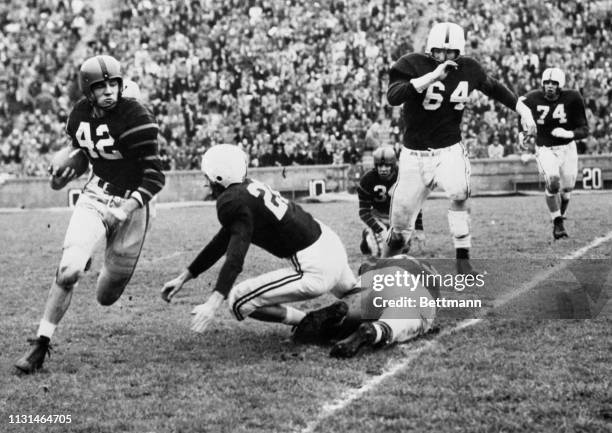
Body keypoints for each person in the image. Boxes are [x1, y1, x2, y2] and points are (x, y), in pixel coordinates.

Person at [15, 55, 166, 374]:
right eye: (102, 87)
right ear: (88, 91)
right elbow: (83, 154)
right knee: (69, 271)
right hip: (95, 195)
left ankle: (100, 258)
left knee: (107, 295)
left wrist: (124, 211)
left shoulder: (137, 117)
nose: (110, 91)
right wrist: (63, 175)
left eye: (114, 84)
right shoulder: (79, 116)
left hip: (132, 207)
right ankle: (40, 344)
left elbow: (155, 176)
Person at [384, 22, 537, 274]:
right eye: (438, 52)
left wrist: (522, 109)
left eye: (450, 52)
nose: (443, 57)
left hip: (449, 149)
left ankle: (463, 261)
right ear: (428, 49)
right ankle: (380, 269)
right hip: (413, 154)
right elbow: (393, 96)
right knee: (399, 233)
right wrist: (432, 76)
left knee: (459, 193)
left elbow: (493, 87)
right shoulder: (410, 64)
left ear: (460, 51)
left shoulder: (469, 68)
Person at [161, 144, 356, 333]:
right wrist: (183, 277)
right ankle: (373, 316)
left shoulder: (231, 201)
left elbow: (235, 258)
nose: (207, 182)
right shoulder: (248, 187)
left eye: (208, 177)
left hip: (316, 266)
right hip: (330, 244)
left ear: (218, 177)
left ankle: (309, 322)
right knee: (356, 298)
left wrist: (213, 303)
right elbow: (221, 241)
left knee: (238, 301)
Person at [293, 255, 440, 358]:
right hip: (416, 289)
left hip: (375, 278)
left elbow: (364, 269)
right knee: (402, 318)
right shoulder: (431, 278)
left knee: (353, 309)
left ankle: (340, 316)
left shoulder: (382, 262)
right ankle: (376, 331)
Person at [518, 68, 589, 239]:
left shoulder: (573, 98)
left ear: (560, 85)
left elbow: (585, 129)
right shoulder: (532, 98)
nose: (549, 86)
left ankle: (560, 215)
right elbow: (519, 108)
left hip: (568, 147)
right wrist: (521, 132)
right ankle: (557, 222)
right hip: (545, 148)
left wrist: (570, 134)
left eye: (554, 83)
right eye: (547, 83)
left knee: (567, 189)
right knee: (553, 182)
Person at [358, 145, 424, 257]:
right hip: (378, 218)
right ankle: (368, 235)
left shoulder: (403, 177)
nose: (383, 169)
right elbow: (363, 212)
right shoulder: (367, 180)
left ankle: (375, 236)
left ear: (393, 165)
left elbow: (414, 204)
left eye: (387, 165)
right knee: (379, 253)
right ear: (375, 165)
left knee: (403, 250)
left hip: (397, 218)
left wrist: (419, 229)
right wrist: (380, 230)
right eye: (380, 165)